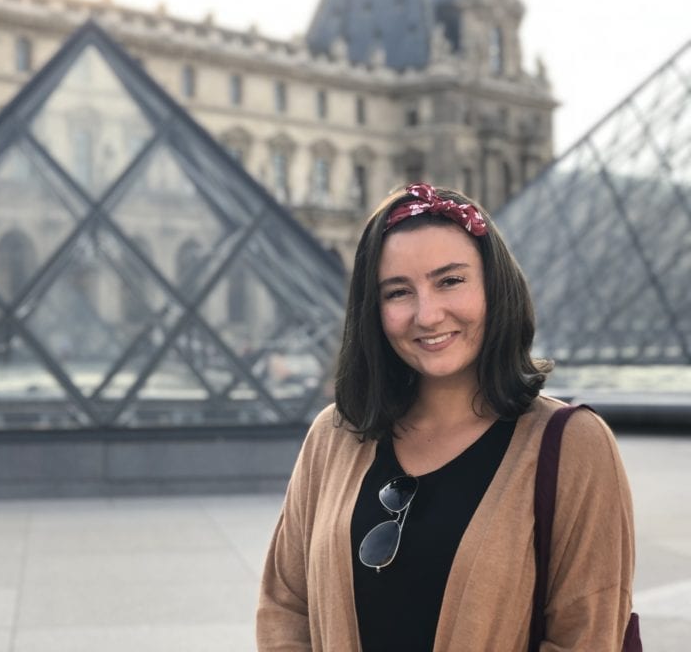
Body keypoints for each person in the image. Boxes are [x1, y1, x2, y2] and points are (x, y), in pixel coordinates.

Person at [257, 183, 636, 651]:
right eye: (398, 292)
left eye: (450, 281)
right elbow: (285, 607)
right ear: (372, 312)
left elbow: (587, 635)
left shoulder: (573, 445)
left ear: (494, 288)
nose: (427, 314)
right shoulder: (333, 435)